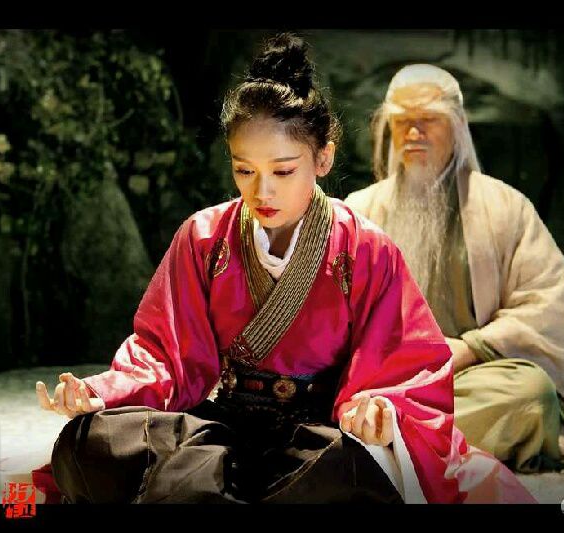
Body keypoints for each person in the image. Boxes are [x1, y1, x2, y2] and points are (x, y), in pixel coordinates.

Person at [35, 36, 534, 504]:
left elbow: (403, 364)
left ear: (323, 158)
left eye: (283, 170)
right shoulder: (204, 237)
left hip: (315, 437)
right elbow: (166, 354)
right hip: (219, 429)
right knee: (88, 442)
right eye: (244, 169)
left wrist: (377, 410)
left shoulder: (364, 248)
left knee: (349, 468)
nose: (262, 191)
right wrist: (101, 391)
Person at [345, 63, 564, 473]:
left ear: (458, 126)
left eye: (429, 120)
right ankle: (407, 437)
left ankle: (392, 441)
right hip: (385, 385)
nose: (413, 132)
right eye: (403, 121)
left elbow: (552, 306)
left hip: (470, 381)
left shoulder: (504, 207)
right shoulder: (360, 211)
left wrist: (468, 349)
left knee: (529, 392)